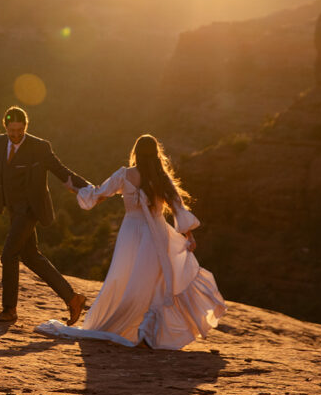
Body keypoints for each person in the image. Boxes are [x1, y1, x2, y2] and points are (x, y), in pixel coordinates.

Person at [37, 134, 225, 349]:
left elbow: (99, 194)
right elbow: (177, 207)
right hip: (157, 234)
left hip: (130, 233)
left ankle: (138, 329)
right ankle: (146, 331)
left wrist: (78, 189)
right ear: (156, 154)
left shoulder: (124, 175)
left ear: (135, 153)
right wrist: (189, 235)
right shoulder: (161, 177)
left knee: (127, 280)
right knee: (154, 283)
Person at [0, 106, 89, 325]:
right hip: (14, 209)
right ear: (5, 127)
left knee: (8, 255)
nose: (15, 135)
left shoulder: (40, 147)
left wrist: (89, 189)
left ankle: (9, 309)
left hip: (30, 209)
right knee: (31, 256)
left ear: (26, 126)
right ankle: (73, 299)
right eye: (11, 130)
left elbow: (62, 171)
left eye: (19, 130)